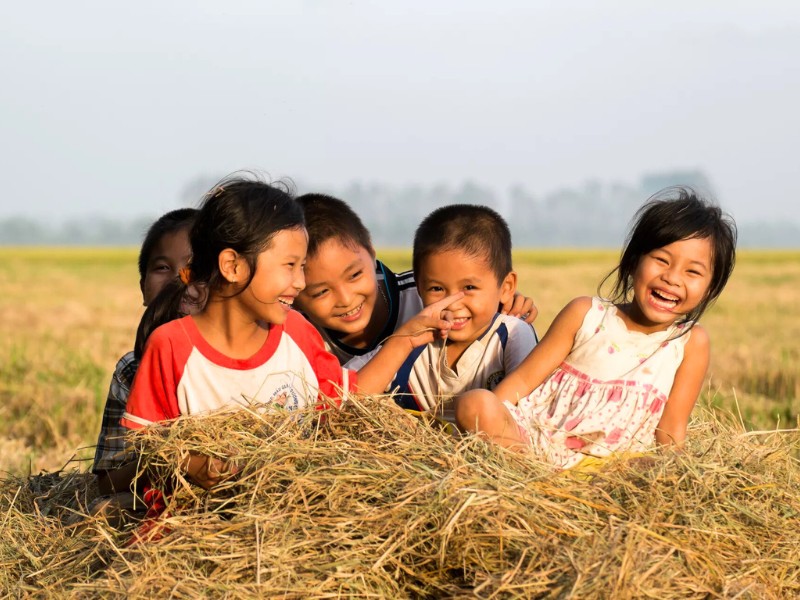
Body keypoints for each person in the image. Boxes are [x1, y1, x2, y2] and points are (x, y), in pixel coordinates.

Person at [120, 176, 458, 491]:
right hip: (197, 521)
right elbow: (147, 441)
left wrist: (405, 339)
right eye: (290, 266)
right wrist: (192, 464)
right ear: (232, 266)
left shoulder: (295, 331)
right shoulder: (171, 345)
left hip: (290, 509)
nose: (300, 282)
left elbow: (348, 402)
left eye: (302, 268)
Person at [455, 187, 737, 468]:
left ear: (710, 287)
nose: (672, 278)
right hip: (537, 446)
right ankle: (534, 473)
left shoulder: (689, 342)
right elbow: (523, 382)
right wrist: (489, 417)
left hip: (615, 466)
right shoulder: (585, 314)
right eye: (662, 260)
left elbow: (671, 430)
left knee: (650, 466)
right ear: (633, 261)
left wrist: (678, 474)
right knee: (473, 403)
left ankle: (565, 481)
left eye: (692, 272)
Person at [294, 193, 537, 368]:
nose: (346, 299)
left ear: (371, 251)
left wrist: (503, 299)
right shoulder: (293, 331)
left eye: (355, 275)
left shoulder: (422, 294)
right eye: (321, 292)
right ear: (294, 293)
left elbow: (473, 289)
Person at [381, 204, 538, 423]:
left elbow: (528, 413)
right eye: (437, 288)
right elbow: (349, 391)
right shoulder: (414, 340)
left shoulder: (512, 334)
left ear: (506, 287)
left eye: (469, 288)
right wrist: (401, 343)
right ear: (419, 287)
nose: (453, 304)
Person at [92, 207, 198, 496]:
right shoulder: (133, 368)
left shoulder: (243, 356)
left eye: (195, 267)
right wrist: (172, 458)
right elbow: (108, 481)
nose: (180, 279)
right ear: (143, 287)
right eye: (162, 268)